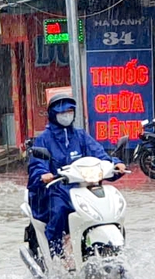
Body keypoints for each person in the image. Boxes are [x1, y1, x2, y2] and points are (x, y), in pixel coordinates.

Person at [28, 97, 123, 259]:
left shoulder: (80, 136)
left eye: (69, 112)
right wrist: (44, 174)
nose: (66, 115)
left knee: (109, 209)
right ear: (53, 114)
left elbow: (99, 153)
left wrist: (115, 163)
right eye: (62, 112)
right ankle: (58, 256)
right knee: (58, 212)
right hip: (57, 190)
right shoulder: (44, 139)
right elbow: (37, 164)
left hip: (83, 187)